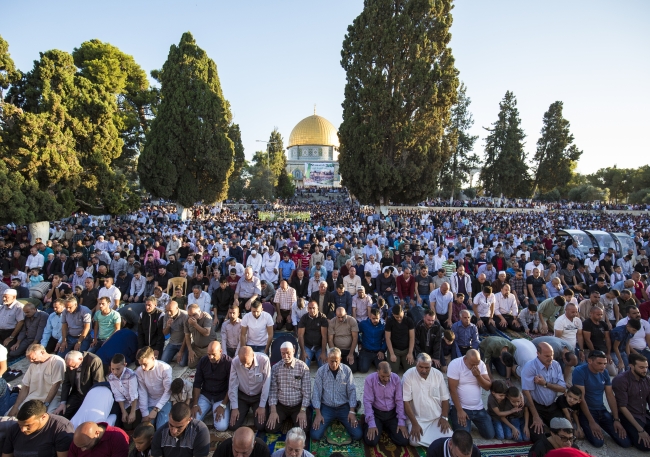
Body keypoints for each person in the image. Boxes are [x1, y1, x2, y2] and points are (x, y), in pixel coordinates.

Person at [572, 349, 631, 448]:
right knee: (598, 443)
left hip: (601, 409)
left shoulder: (605, 373)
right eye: (599, 363)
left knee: (625, 442)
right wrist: (591, 421)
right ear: (590, 361)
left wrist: (616, 419)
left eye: (605, 363)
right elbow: (581, 398)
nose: (603, 366)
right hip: (587, 410)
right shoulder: (580, 371)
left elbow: (610, 395)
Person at [311, 347, 362, 442]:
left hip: (343, 407)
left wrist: (352, 412)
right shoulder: (321, 371)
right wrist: (318, 414)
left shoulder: (347, 370)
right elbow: (316, 393)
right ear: (327, 359)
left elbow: (352, 391)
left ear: (340, 359)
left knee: (358, 435)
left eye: (336, 361)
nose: (334, 364)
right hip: (327, 407)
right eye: (331, 361)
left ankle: (355, 406)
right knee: (315, 435)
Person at [402, 353, 452, 447]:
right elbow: (406, 402)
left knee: (449, 436)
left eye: (427, 367)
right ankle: (438, 445)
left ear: (431, 365)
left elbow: (445, 398)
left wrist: (444, 417)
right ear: (416, 363)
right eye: (421, 367)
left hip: (436, 418)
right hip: (417, 419)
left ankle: (436, 445)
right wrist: (415, 424)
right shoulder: (408, 375)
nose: (424, 370)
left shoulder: (438, 374)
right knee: (414, 441)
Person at [521, 342, 567, 442]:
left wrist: (545, 384)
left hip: (552, 406)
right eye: (547, 356)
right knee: (538, 438)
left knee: (565, 433)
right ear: (538, 354)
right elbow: (526, 392)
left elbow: (563, 388)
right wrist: (536, 416)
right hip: (536, 406)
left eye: (552, 355)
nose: (550, 358)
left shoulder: (556, 365)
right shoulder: (530, 367)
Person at [447, 349, 495, 439]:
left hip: (478, 408)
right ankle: (452, 413)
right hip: (462, 407)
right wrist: (459, 410)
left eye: (477, 363)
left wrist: (478, 375)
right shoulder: (455, 364)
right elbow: (452, 389)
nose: (475, 366)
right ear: (465, 359)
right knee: (464, 437)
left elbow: (487, 386)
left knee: (490, 435)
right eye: (472, 364)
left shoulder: (480, 364)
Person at [6, 343, 65, 416]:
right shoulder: (33, 365)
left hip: (53, 398)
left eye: (33, 358)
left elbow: (56, 385)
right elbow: (25, 387)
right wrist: (16, 406)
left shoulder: (56, 361)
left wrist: (45, 405)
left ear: (42, 352)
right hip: (33, 396)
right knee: (12, 414)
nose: (31, 361)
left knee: (48, 417)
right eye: (29, 359)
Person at [265, 342, 311, 435]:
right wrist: (273, 411)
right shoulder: (275, 368)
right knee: (270, 428)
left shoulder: (303, 367)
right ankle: (286, 418)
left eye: (288, 353)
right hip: (281, 405)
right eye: (283, 353)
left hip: (298, 405)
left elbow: (307, 392)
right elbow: (273, 391)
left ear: (293, 351)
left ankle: (294, 418)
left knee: (304, 430)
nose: (286, 356)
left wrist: (302, 411)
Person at [2, 400, 74, 457]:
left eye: (28, 425)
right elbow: (6, 454)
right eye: (20, 425)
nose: (23, 429)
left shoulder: (61, 429)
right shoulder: (14, 430)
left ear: (43, 417)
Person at [190, 341, 232, 432]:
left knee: (221, 427)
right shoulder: (203, 361)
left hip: (221, 397)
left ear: (221, 351)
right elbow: (197, 383)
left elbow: (231, 386)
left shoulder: (228, 362)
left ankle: (221, 409)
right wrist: (195, 404)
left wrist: (223, 405)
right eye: (209, 354)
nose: (211, 357)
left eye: (213, 354)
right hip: (206, 395)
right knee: (192, 422)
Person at [612, 352, 650, 451]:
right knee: (645, 446)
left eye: (646, 367)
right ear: (631, 366)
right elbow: (622, 407)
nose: (645, 370)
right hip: (629, 416)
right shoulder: (621, 380)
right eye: (641, 367)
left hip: (643, 414)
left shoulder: (647, 379)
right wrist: (640, 430)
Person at [228, 346, 271, 431]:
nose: (244, 365)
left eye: (247, 362)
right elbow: (232, 385)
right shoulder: (235, 362)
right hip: (242, 396)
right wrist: (234, 407)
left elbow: (266, 384)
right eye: (242, 362)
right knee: (233, 426)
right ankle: (244, 409)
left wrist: (262, 406)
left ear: (253, 356)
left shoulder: (264, 360)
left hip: (258, 396)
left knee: (261, 426)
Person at [52, 350, 104, 419]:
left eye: (73, 366)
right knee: (62, 413)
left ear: (81, 359)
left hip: (90, 395)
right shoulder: (70, 363)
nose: (71, 368)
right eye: (69, 366)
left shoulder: (93, 360)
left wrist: (91, 402)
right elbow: (66, 383)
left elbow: (97, 383)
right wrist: (63, 403)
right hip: (77, 394)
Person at [135, 346, 173, 430]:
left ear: (152, 358)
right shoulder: (139, 371)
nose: (143, 368)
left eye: (145, 364)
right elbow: (142, 391)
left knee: (161, 429)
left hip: (165, 401)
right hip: (150, 401)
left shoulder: (165, 368)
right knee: (145, 429)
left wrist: (156, 409)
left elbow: (168, 391)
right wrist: (145, 413)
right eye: (140, 365)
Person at [108, 353, 141, 431]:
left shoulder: (130, 375)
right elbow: (118, 395)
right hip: (125, 404)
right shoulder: (111, 377)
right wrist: (124, 412)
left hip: (136, 404)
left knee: (137, 426)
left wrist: (133, 412)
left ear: (125, 365)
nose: (115, 372)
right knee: (127, 426)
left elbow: (134, 394)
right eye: (112, 369)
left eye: (118, 369)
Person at [297, 300, 328, 368]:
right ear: (307, 309)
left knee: (324, 367)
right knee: (302, 367)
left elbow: (324, 336)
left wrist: (323, 352)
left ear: (318, 308)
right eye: (310, 308)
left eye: (314, 308)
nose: (312, 310)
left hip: (319, 347)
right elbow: (300, 336)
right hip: (307, 346)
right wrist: (303, 351)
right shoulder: (304, 318)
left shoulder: (322, 318)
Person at [384, 304, 415, 373]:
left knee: (411, 371)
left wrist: (410, 353)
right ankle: (398, 361)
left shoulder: (409, 320)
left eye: (400, 317)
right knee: (393, 371)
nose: (399, 318)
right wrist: (392, 353)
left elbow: (412, 337)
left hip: (406, 350)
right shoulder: (390, 321)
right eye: (396, 317)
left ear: (403, 312)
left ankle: (402, 362)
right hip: (394, 350)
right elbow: (388, 338)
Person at [328, 307, 359, 373]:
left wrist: (351, 354)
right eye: (338, 317)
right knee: (335, 368)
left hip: (348, 350)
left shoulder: (352, 320)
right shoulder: (332, 322)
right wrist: (334, 353)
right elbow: (330, 339)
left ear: (346, 314)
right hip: (337, 350)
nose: (340, 319)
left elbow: (355, 338)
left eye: (342, 317)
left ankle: (353, 355)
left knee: (353, 369)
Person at [185, 303, 216, 368]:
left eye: (194, 315)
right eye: (189, 315)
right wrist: (190, 350)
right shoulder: (187, 320)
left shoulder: (207, 317)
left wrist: (195, 325)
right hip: (197, 347)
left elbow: (206, 333)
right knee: (191, 365)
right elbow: (187, 336)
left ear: (200, 312)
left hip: (208, 347)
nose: (191, 317)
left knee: (211, 366)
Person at [161, 301, 189, 365]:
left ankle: (182, 353)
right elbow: (165, 333)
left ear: (177, 308)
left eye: (170, 310)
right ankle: (174, 353)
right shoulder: (166, 315)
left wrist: (181, 351)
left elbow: (187, 335)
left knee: (182, 363)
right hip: (172, 342)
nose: (169, 313)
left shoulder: (185, 316)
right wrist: (168, 326)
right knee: (163, 362)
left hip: (183, 343)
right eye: (167, 310)